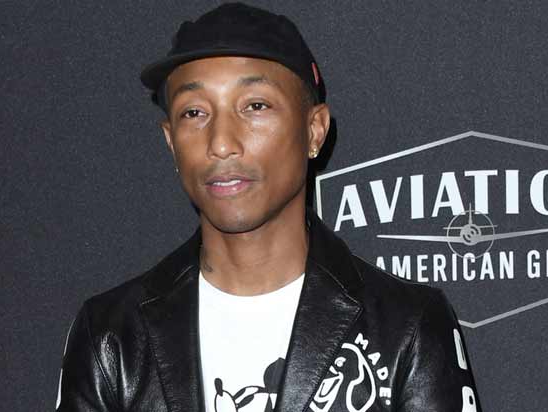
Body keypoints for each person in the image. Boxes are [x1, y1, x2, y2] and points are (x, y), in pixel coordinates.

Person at [57, 3, 481, 411]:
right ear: (171, 141)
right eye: (194, 112)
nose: (221, 142)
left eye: (255, 106)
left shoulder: (407, 326)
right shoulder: (111, 335)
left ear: (314, 130)